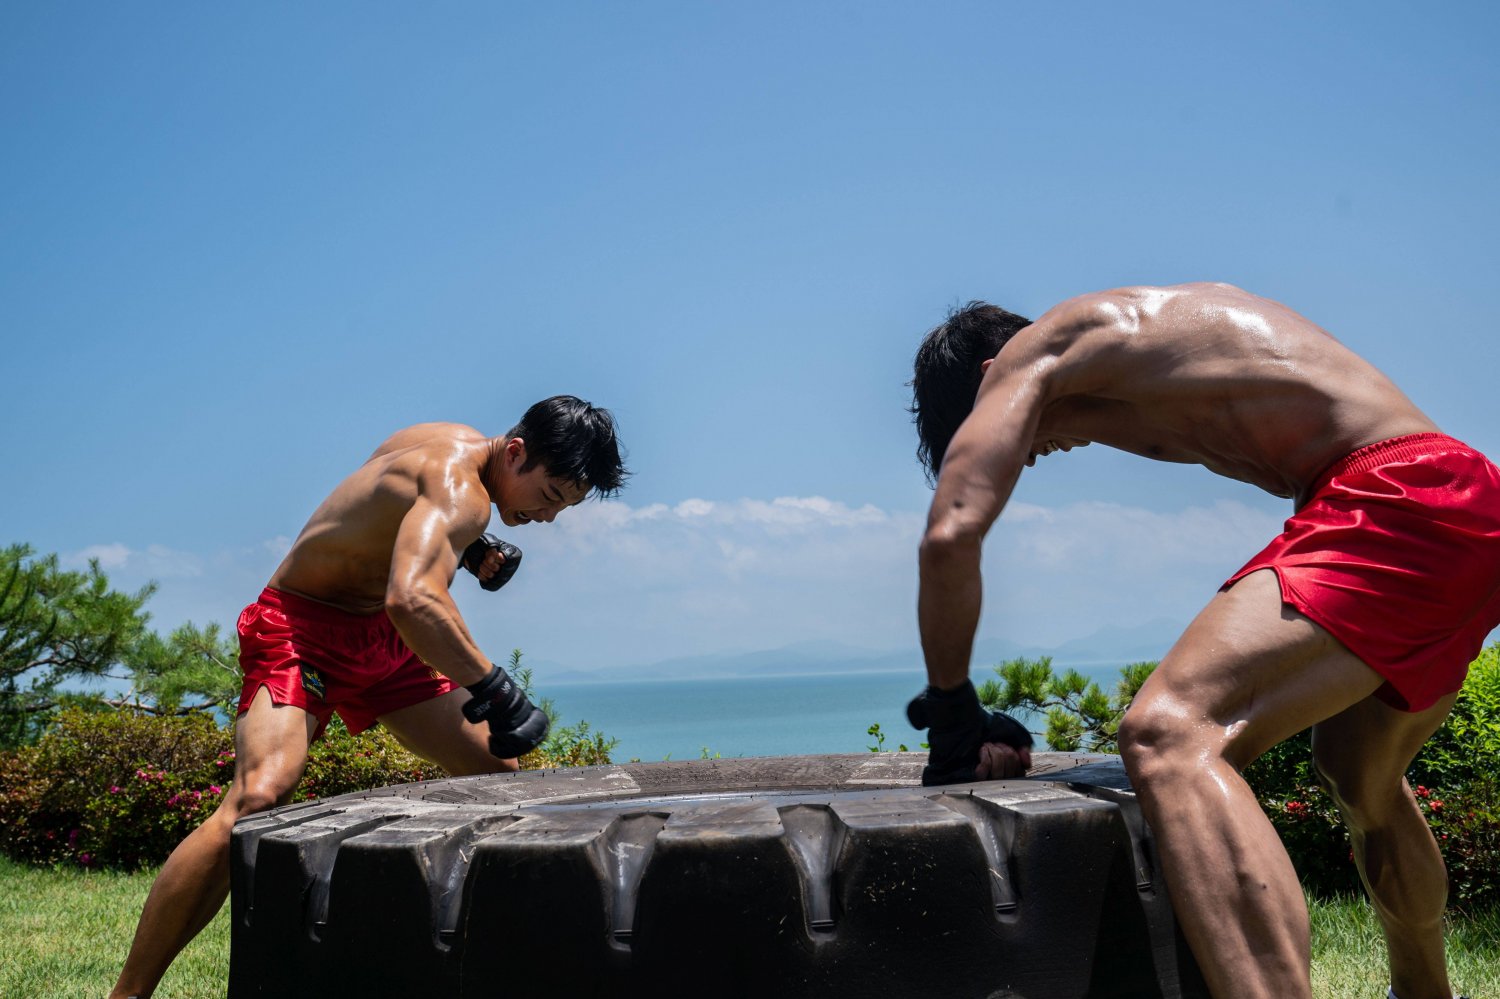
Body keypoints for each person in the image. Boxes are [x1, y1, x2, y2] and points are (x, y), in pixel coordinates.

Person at [904, 283, 1498, 999]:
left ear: (989, 377)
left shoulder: (1040, 350)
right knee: (1358, 772)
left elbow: (950, 533)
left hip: (1392, 497)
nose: (1026, 455)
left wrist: (952, 712)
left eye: (993, 429)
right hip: (1457, 497)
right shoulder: (1129, 347)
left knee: (1168, 732)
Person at [111, 395, 627, 999]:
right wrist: (496, 688)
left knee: (496, 772)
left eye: (563, 507)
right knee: (257, 797)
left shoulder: (445, 439)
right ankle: (129, 994)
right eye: (550, 497)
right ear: (516, 453)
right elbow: (411, 600)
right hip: (302, 630)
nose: (548, 518)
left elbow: (381, 504)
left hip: (380, 639)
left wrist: (465, 550)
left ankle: (482, 965)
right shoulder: (465, 495)